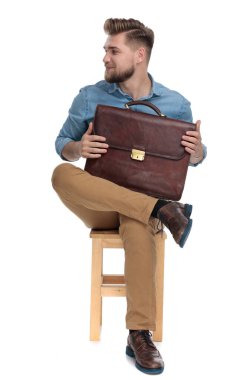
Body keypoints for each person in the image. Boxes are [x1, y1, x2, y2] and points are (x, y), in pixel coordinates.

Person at [52, 18, 206, 375]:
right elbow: (62, 145)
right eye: (106, 49)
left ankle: (138, 334)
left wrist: (198, 153)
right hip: (101, 203)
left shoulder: (177, 103)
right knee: (60, 175)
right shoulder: (90, 96)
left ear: (139, 55)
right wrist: (79, 146)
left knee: (138, 223)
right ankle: (163, 210)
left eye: (113, 50)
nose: (104, 56)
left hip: (139, 210)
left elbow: (192, 159)